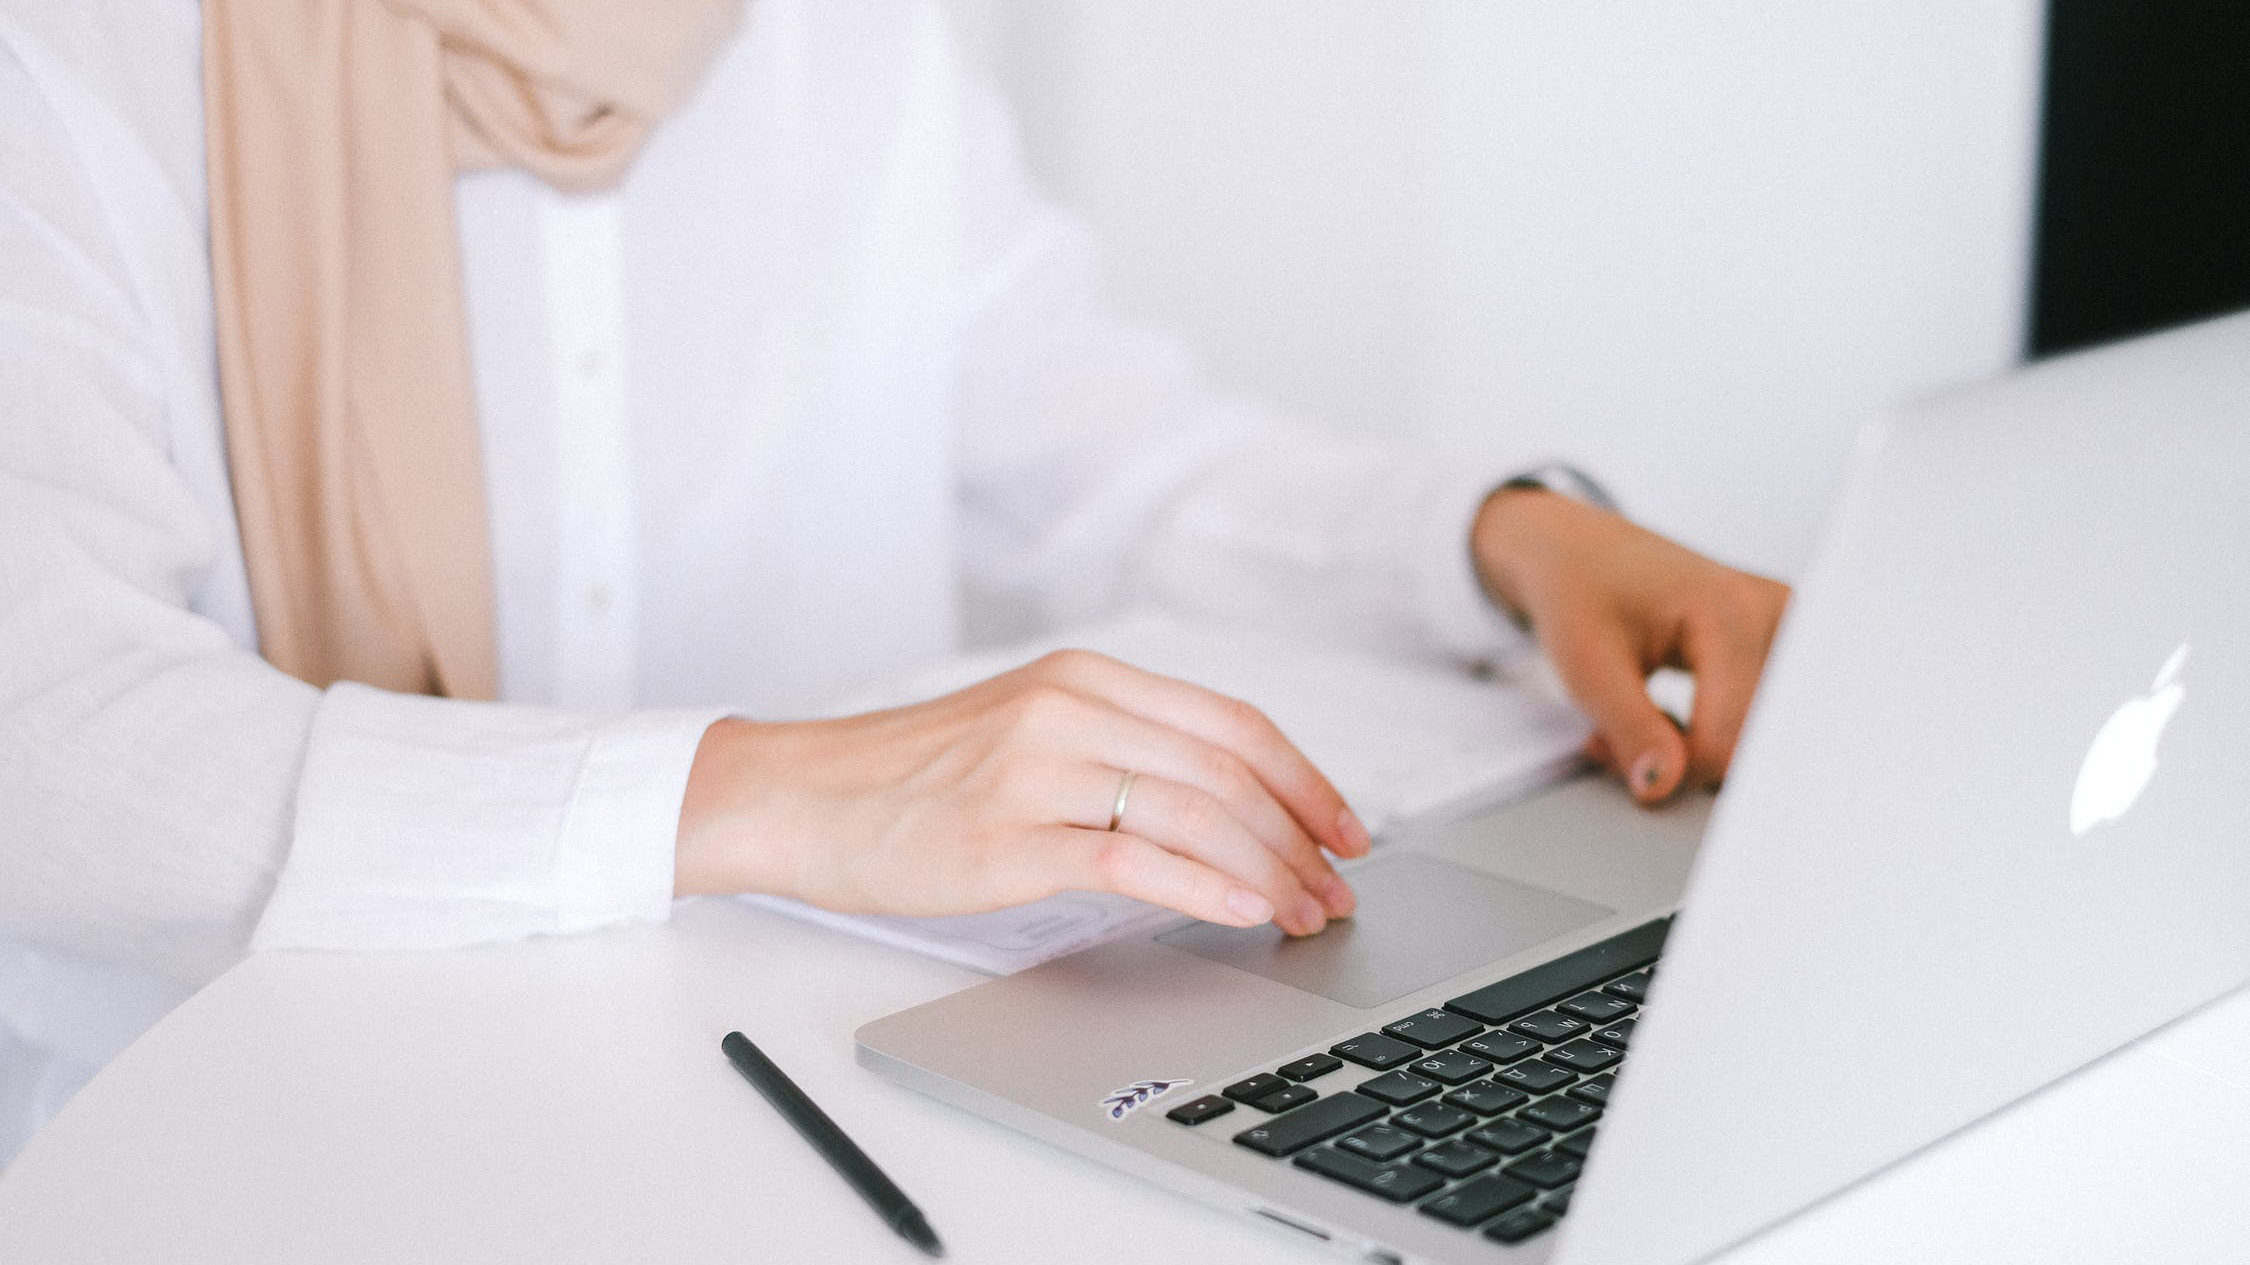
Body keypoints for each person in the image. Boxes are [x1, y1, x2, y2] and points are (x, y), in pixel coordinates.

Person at [0, 0, 1789, 1163]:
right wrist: (772, 789)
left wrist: (1489, 539)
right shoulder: (65, 66)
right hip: (210, 1152)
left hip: (785, 1128)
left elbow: (1094, 444)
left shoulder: (838, 38)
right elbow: (52, 752)